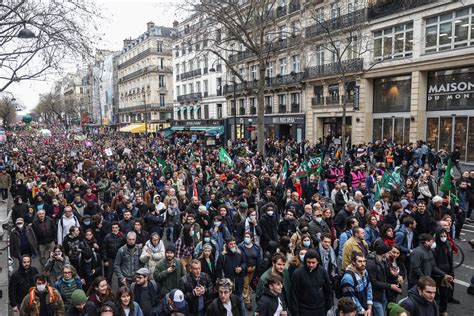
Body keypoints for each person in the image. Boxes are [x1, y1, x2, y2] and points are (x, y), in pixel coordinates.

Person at [291, 249, 333, 315]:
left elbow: (328, 291)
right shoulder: (297, 273)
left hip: (320, 309)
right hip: (304, 309)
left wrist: (330, 308)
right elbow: (294, 295)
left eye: (313, 263)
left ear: (318, 262)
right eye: (308, 262)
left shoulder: (322, 271)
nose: (311, 265)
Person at [366, 243, 401, 316]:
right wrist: (390, 286)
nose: (390, 254)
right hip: (376, 296)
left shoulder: (384, 261)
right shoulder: (371, 263)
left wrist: (394, 275)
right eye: (388, 252)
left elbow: (387, 276)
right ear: (383, 253)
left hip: (384, 294)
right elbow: (373, 282)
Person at [341, 252, 373, 316]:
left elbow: (369, 288)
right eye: (360, 261)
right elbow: (351, 298)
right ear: (353, 262)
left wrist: (369, 308)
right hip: (354, 312)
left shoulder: (364, 271)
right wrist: (363, 311)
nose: (363, 264)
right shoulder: (348, 278)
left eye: (364, 261)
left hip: (365, 309)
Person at [238, 231, 261, 310]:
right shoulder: (240, 246)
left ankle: (246, 296)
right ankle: (247, 301)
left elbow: (258, 257)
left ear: (251, 238)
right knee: (246, 285)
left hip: (253, 269)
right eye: (245, 236)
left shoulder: (256, 247)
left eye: (248, 237)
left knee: (249, 284)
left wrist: (258, 269)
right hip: (245, 269)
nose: (246, 238)